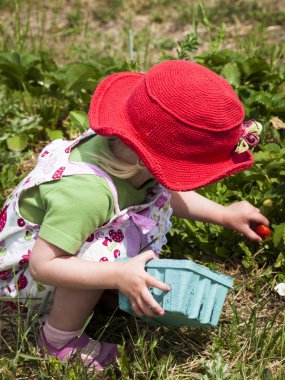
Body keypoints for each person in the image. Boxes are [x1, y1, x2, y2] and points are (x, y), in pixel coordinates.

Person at [0, 60, 269, 370]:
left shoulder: (129, 152)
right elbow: (45, 266)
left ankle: (98, 289)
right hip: (26, 279)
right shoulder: (86, 194)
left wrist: (223, 214)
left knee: (107, 251)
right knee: (102, 255)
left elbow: (165, 194)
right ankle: (59, 340)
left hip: (61, 245)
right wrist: (116, 274)